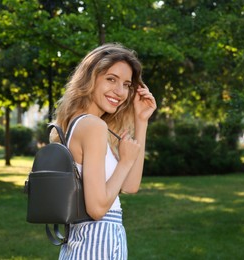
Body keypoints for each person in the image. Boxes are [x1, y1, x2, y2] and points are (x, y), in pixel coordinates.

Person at [52, 43, 157, 260]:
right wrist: (125, 161)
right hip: (97, 243)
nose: (120, 92)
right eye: (111, 79)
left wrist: (141, 121)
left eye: (127, 84)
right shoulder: (93, 126)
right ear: (91, 78)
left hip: (86, 243)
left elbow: (130, 185)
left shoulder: (84, 124)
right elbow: (98, 209)